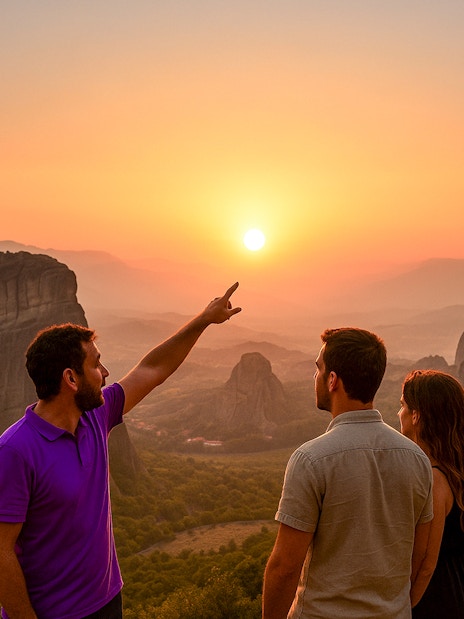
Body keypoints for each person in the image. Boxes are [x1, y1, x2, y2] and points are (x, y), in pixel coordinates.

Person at [0, 283, 241, 619]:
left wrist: (203, 319)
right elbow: (1, 552)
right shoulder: (15, 450)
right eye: (97, 365)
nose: (106, 373)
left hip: (108, 601)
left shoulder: (97, 416)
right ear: (71, 378)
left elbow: (151, 370)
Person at [262, 327, 434, 619]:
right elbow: (418, 557)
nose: (314, 377)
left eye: (318, 369)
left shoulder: (312, 459)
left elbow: (285, 567)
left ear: (332, 380)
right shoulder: (416, 459)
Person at [399, 369, 464, 618]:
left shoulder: (436, 479)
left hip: (438, 597)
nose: (399, 413)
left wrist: (404, 607)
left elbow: (426, 562)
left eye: (402, 405)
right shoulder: (453, 469)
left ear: (416, 415)